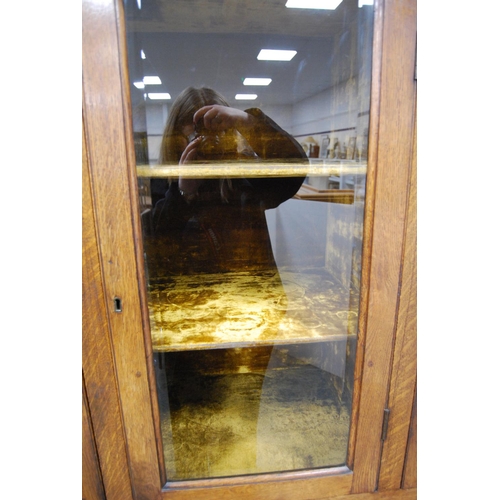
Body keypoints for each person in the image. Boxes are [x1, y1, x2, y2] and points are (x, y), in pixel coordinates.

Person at [149, 86, 307, 276]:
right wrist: (183, 192)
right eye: (196, 137)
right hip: (190, 296)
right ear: (175, 138)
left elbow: (295, 171)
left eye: (215, 135)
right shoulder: (164, 180)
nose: (206, 144)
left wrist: (248, 122)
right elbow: (157, 244)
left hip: (250, 295)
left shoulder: (242, 175)